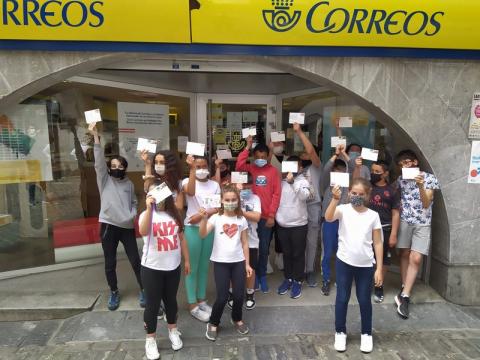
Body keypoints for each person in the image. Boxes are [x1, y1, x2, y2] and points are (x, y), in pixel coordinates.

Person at [325, 178, 383, 353]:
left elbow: (378, 242)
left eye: (361, 194)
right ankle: (340, 331)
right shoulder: (342, 210)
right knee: (342, 297)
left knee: (364, 299)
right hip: (344, 262)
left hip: (365, 265)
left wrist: (379, 268)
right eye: (354, 193)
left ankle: (366, 334)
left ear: (367, 195)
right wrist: (335, 199)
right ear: (349, 192)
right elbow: (328, 218)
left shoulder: (373, 215)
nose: (357, 196)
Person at [89, 123, 143, 311]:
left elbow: (135, 202)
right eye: (113, 165)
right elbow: (98, 163)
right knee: (110, 263)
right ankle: (113, 292)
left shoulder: (128, 184)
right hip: (108, 226)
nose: (116, 168)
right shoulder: (104, 180)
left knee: (136, 260)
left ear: (125, 168)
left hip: (127, 226)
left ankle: (143, 289)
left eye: (120, 166)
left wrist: (133, 214)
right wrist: (96, 137)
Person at [138, 183, 191, 359]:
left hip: (172, 267)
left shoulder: (174, 214)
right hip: (152, 268)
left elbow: (181, 238)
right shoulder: (146, 215)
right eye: (153, 194)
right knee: (152, 305)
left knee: (171, 301)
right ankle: (150, 339)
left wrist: (187, 260)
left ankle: (173, 330)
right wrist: (148, 208)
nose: (157, 198)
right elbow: (143, 230)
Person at [199, 184, 253, 341]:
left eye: (233, 199)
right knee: (222, 296)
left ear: (238, 200)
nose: (230, 202)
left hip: (238, 261)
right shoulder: (216, 218)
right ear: (221, 201)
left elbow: (244, 243)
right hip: (220, 262)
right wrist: (203, 219)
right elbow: (202, 234)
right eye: (227, 200)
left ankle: (237, 318)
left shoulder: (241, 219)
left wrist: (247, 264)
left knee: (238, 295)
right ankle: (213, 322)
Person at [394, 150, 439, 319]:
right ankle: (405, 288)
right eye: (401, 165)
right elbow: (393, 193)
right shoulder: (401, 179)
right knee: (404, 253)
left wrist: (420, 185)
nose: (404, 166)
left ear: (414, 161)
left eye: (406, 162)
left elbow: (427, 203)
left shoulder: (429, 178)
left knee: (416, 258)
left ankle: (404, 296)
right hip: (405, 220)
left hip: (423, 223)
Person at [236, 136, 281, 293]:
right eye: (258, 157)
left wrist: (271, 215)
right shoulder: (252, 168)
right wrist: (247, 147)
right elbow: (239, 165)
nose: (261, 159)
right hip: (250, 215)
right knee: (250, 248)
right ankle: (250, 275)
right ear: (254, 157)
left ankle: (261, 275)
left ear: (268, 156)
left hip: (265, 218)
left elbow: (276, 194)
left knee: (263, 248)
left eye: (264, 157)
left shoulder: (274, 171)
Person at [354, 158, 400, 303]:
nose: (373, 174)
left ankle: (378, 286)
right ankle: (365, 285)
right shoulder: (368, 187)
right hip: (365, 229)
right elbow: (355, 187)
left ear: (385, 174)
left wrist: (393, 234)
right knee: (366, 257)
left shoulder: (392, 190)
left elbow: (395, 213)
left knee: (383, 260)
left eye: (377, 172)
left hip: (384, 229)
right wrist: (357, 167)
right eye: (372, 171)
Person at [182, 155, 220, 322]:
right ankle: (192, 304)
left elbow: (218, 206)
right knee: (193, 267)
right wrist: (191, 169)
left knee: (205, 266)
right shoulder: (186, 181)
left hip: (209, 227)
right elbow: (190, 192)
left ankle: (201, 299)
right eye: (198, 167)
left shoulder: (214, 185)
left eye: (204, 166)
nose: (201, 169)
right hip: (192, 229)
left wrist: (201, 215)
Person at [276, 155, 311, 299]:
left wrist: (292, 183)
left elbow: (305, 196)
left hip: (299, 224)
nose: (291, 170)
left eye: (295, 166)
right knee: (287, 253)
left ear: (300, 168)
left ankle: (297, 280)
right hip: (282, 224)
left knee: (298, 254)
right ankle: (288, 278)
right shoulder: (280, 182)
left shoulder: (304, 181)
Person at [293, 122, 323, 287]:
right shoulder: (296, 169)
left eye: (306, 153)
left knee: (311, 241)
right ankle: (298, 269)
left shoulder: (316, 167)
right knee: (298, 241)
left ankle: (309, 270)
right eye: (302, 153)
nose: (304, 155)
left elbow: (311, 151)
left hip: (312, 206)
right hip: (297, 206)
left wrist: (299, 132)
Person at [228, 176, 262, 310]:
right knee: (231, 269)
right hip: (232, 240)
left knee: (250, 269)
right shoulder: (232, 197)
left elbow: (257, 217)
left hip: (251, 241)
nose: (245, 189)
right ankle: (232, 293)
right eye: (243, 186)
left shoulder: (255, 199)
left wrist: (242, 211)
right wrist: (236, 195)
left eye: (248, 186)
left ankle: (249, 293)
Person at [320, 145, 350, 296]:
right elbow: (325, 170)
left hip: (345, 223)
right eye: (336, 171)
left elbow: (351, 166)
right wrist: (335, 155)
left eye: (342, 172)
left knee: (342, 252)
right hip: (329, 222)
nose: (339, 174)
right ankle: (326, 279)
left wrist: (343, 154)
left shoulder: (348, 185)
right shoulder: (327, 184)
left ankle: (341, 279)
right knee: (327, 253)